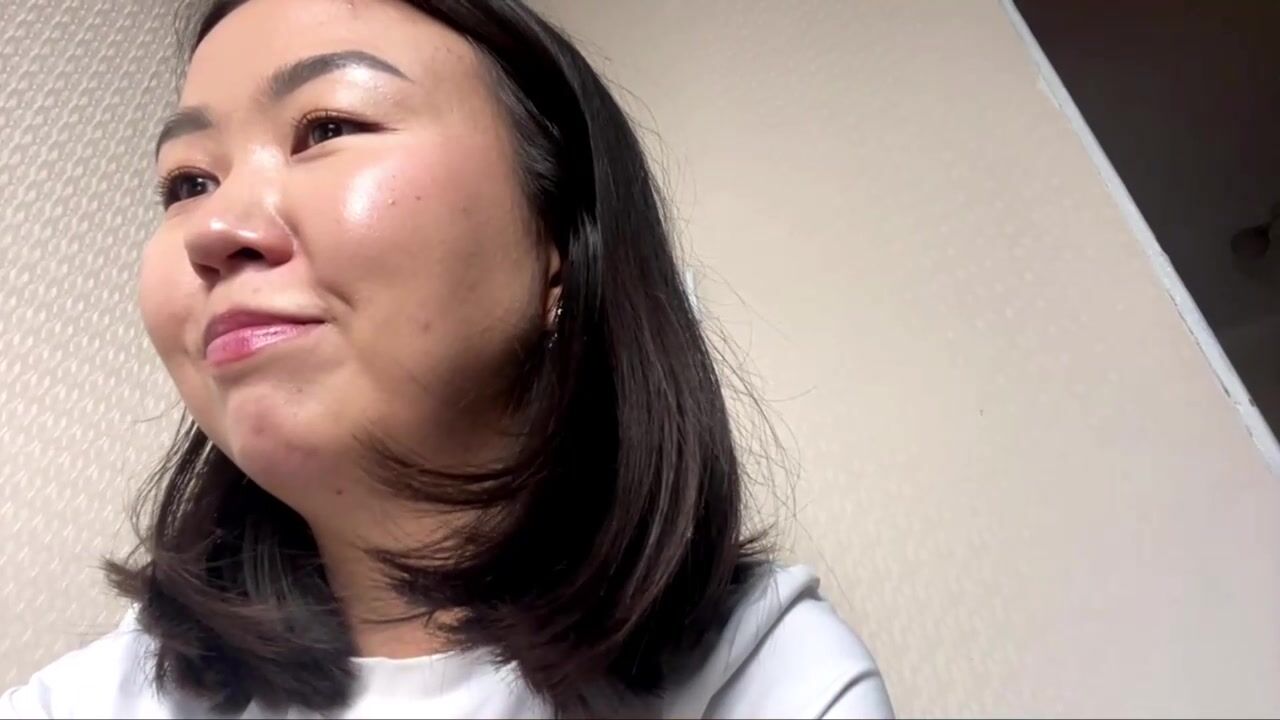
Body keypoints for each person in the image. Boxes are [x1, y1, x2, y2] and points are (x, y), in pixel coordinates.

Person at [1, 0, 891, 717]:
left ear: (557, 244)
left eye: (326, 126)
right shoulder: (84, 703)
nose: (215, 228)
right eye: (188, 183)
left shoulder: (767, 680)